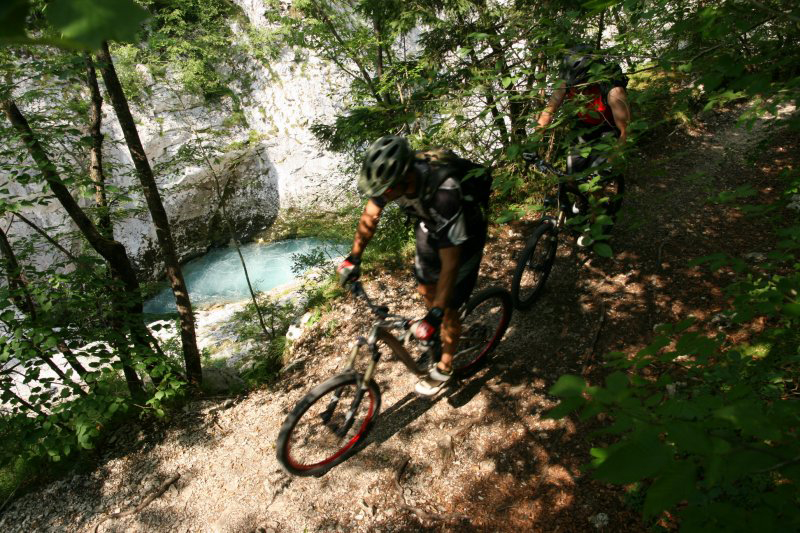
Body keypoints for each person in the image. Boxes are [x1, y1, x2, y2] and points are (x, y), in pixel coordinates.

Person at [336, 135, 490, 396]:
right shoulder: (391, 182)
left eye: (385, 190)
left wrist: (436, 315)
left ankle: (445, 366)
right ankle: (437, 332)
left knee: (448, 308)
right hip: (430, 224)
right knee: (424, 286)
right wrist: (354, 258)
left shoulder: (444, 192)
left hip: (465, 233)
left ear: (404, 179)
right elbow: (370, 217)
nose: (381, 195)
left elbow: (450, 263)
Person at [535, 45, 631, 246]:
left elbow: (624, 131)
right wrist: (533, 141)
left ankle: (595, 227)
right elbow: (549, 111)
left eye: (580, 85)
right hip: (583, 127)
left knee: (595, 180)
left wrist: (611, 162)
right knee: (570, 174)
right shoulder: (569, 82)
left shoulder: (613, 90)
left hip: (608, 128)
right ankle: (581, 201)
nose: (575, 89)